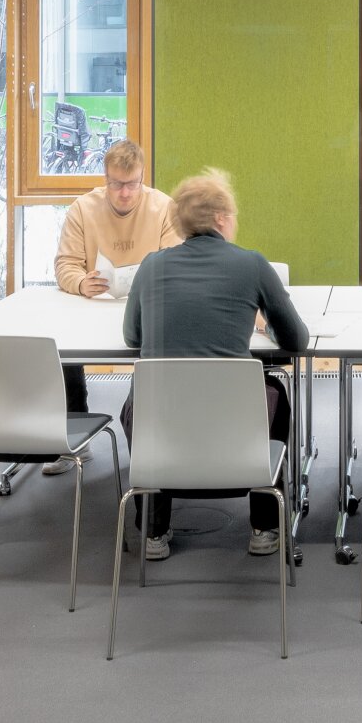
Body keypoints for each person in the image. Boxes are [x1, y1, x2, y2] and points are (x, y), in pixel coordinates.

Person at [121, 169, 308, 561]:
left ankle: (153, 531)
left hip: (166, 416)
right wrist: (264, 321)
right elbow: (297, 342)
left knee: (137, 403)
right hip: (233, 419)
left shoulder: (151, 266)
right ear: (221, 218)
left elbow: (133, 339)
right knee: (276, 393)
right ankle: (264, 526)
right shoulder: (253, 264)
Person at [50, 139, 177, 420]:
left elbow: (176, 262)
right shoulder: (83, 208)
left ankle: (150, 421)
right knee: (62, 343)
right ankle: (74, 424)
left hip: (148, 307)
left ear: (143, 177)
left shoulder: (164, 206)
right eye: (117, 184)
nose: (125, 193)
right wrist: (81, 282)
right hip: (93, 305)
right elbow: (65, 264)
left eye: (133, 184)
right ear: (105, 178)